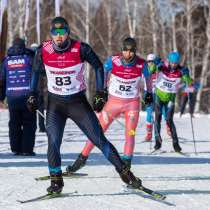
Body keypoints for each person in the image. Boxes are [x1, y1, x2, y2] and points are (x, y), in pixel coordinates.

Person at [26, 16, 143, 194]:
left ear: (68, 33)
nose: (59, 36)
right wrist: (31, 94)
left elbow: (98, 67)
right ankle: (56, 180)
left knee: (98, 139)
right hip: (55, 103)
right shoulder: (43, 49)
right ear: (51, 34)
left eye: (62, 32)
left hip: (77, 102)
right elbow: (35, 71)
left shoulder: (80, 48)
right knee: (53, 142)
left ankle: (125, 173)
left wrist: (101, 93)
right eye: (55, 33)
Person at [66, 37, 153, 172]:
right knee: (97, 132)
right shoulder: (114, 60)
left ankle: (126, 168)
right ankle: (82, 159)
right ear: (122, 50)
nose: (128, 54)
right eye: (125, 50)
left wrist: (149, 93)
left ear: (135, 51)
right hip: (113, 103)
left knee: (130, 134)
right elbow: (104, 71)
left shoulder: (141, 64)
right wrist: (103, 90)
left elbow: (148, 78)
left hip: (132, 105)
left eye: (131, 51)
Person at [0, 37, 36, 156]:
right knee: (29, 123)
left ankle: (16, 148)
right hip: (27, 96)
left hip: (12, 97)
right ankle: (27, 149)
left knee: (14, 123)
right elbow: (35, 75)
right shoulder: (29, 58)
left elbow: (2, 80)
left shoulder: (6, 61)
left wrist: (1, 97)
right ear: (24, 46)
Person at [152, 51, 193, 152]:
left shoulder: (181, 70)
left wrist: (187, 75)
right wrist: (155, 64)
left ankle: (175, 143)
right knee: (157, 118)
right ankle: (158, 141)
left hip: (170, 98)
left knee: (169, 120)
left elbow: (189, 83)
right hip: (159, 96)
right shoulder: (163, 67)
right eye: (172, 62)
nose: (174, 64)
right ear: (169, 61)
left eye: (176, 63)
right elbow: (151, 70)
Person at [144, 54, 170, 141]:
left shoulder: (160, 68)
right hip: (149, 93)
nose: (150, 63)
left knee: (164, 112)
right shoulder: (145, 69)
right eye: (148, 61)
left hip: (159, 93)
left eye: (152, 61)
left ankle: (169, 128)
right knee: (149, 114)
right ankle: (149, 134)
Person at [30, 43, 46, 132]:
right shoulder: (40, 60)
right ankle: (42, 127)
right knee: (40, 108)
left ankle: (34, 127)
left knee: (32, 108)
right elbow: (44, 72)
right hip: (39, 88)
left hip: (31, 89)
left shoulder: (27, 59)